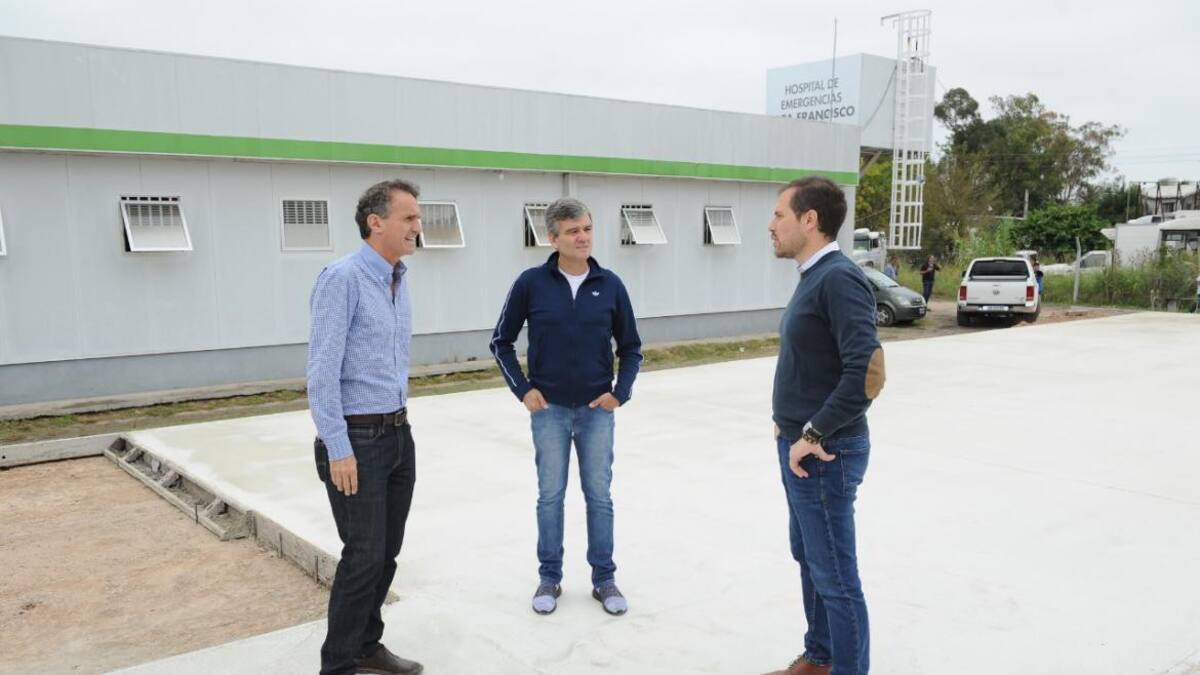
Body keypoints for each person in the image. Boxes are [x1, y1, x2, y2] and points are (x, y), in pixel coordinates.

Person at [490, 197, 643, 617]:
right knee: (550, 497)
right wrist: (523, 390)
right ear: (552, 237)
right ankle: (549, 578)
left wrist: (620, 392)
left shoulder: (610, 285)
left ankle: (604, 579)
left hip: (597, 411)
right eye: (573, 231)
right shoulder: (531, 284)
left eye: (588, 229)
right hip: (549, 411)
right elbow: (500, 341)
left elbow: (631, 348)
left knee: (599, 497)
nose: (583, 237)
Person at [764, 176, 885, 675]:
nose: (771, 225)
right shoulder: (813, 275)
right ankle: (820, 658)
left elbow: (868, 374)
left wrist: (811, 433)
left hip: (826, 453)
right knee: (810, 558)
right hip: (800, 447)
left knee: (835, 576)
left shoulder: (838, 278)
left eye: (779, 215)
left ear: (809, 220)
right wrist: (786, 423)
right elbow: (817, 362)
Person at [307, 179, 424, 675]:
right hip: (357, 442)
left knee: (387, 553)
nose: (419, 227)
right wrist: (338, 448)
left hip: (397, 435)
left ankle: (366, 645)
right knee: (363, 556)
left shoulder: (397, 279)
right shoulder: (343, 278)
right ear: (376, 222)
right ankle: (337, 665)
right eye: (409, 218)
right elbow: (321, 370)